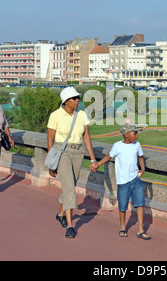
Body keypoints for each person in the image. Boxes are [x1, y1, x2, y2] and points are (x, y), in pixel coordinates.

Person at [47, 87, 98, 238]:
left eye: (78, 98)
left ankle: (60, 214)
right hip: (62, 152)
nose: (77, 101)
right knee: (69, 187)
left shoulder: (81, 115)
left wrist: (93, 159)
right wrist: (51, 163)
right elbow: (50, 139)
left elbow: (87, 138)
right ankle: (70, 226)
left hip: (78, 153)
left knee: (70, 185)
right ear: (66, 101)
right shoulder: (55, 115)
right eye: (74, 98)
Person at [90, 124, 151, 240]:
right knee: (122, 206)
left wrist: (142, 169)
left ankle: (141, 230)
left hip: (135, 179)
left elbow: (140, 157)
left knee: (140, 204)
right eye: (135, 133)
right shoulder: (117, 146)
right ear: (126, 134)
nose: (137, 136)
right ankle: (123, 227)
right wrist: (98, 164)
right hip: (123, 182)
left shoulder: (137, 145)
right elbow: (108, 157)